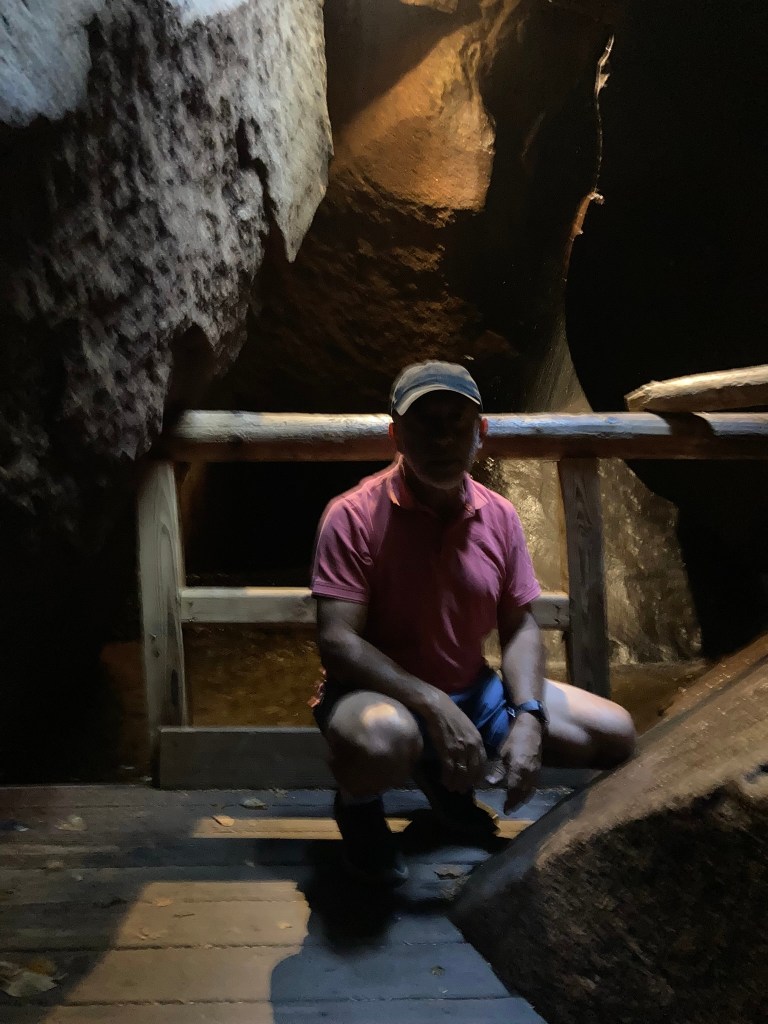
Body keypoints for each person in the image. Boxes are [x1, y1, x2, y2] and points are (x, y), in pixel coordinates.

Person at [310, 360, 636, 885]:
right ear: (396, 435)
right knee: (380, 741)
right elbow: (338, 642)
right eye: (424, 423)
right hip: (379, 696)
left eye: (456, 422)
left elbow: (519, 625)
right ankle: (359, 808)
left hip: (473, 691)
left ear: (480, 432)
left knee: (612, 733)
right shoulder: (352, 516)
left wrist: (528, 715)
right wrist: (432, 702)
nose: (442, 438)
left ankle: (443, 783)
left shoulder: (499, 515)